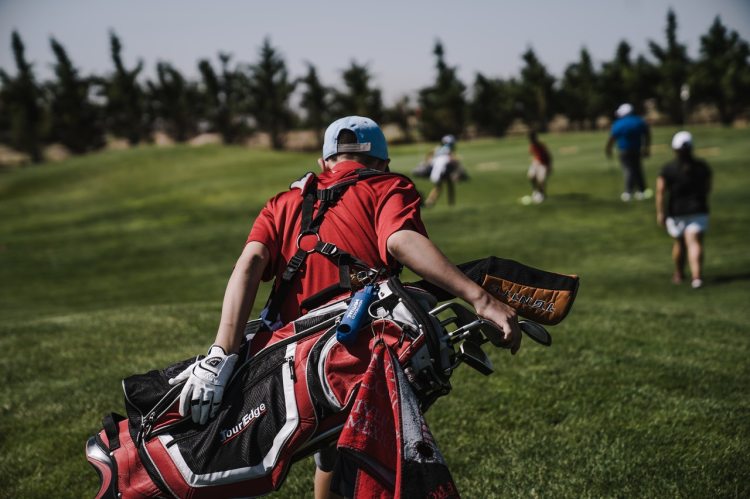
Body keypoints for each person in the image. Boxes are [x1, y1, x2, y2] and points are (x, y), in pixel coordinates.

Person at [167, 116, 522, 498]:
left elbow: (250, 263)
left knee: (330, 453)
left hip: (288, 366)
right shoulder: (388, 186)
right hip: (356, 356)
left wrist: (221, 353)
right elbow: (401, 240)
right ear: (383, 162)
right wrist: (481, 299)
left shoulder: (284, 202)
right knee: (368, 455)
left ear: (324, 163)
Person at [656, 131, 712, 289]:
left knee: (680, 243)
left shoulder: (668, 169)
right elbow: (708, 188)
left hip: (677, 211)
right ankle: (696, 277)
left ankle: (679, 274)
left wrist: (660, 212)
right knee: (694, 243)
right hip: (698, 209)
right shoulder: (702, 167)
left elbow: (660, 191)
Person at [605, 103, 652, 202]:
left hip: (624, 150)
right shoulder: (639, 121)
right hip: (637, 149)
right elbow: (647, 134)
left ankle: (628, 192)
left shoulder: (619, 123)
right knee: (637, 169)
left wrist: (608, 149)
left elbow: (612, 137)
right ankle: (642, 191)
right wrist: (647, 148)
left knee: (628, 170)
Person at [425, 134, 459, 206]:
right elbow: (453, 160)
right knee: (441, 187)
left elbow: (429, 156)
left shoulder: (438, 148)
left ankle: (431, 201)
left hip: (437, 171)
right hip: (442, 171)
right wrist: (456, 169)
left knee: (439, 186)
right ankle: (430, 201)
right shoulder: (448, 149)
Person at [523, 131, 553, 204]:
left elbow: (548, 156)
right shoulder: (532, 146)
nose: (530, 140)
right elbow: (532, 154)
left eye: (531, 138)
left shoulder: (541, 145)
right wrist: (534, 160)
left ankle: (542, 194)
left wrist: (549, 166)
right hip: (536, 163)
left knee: (541, 180)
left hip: (544, 164)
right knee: (531, 176)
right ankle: (535, 192)